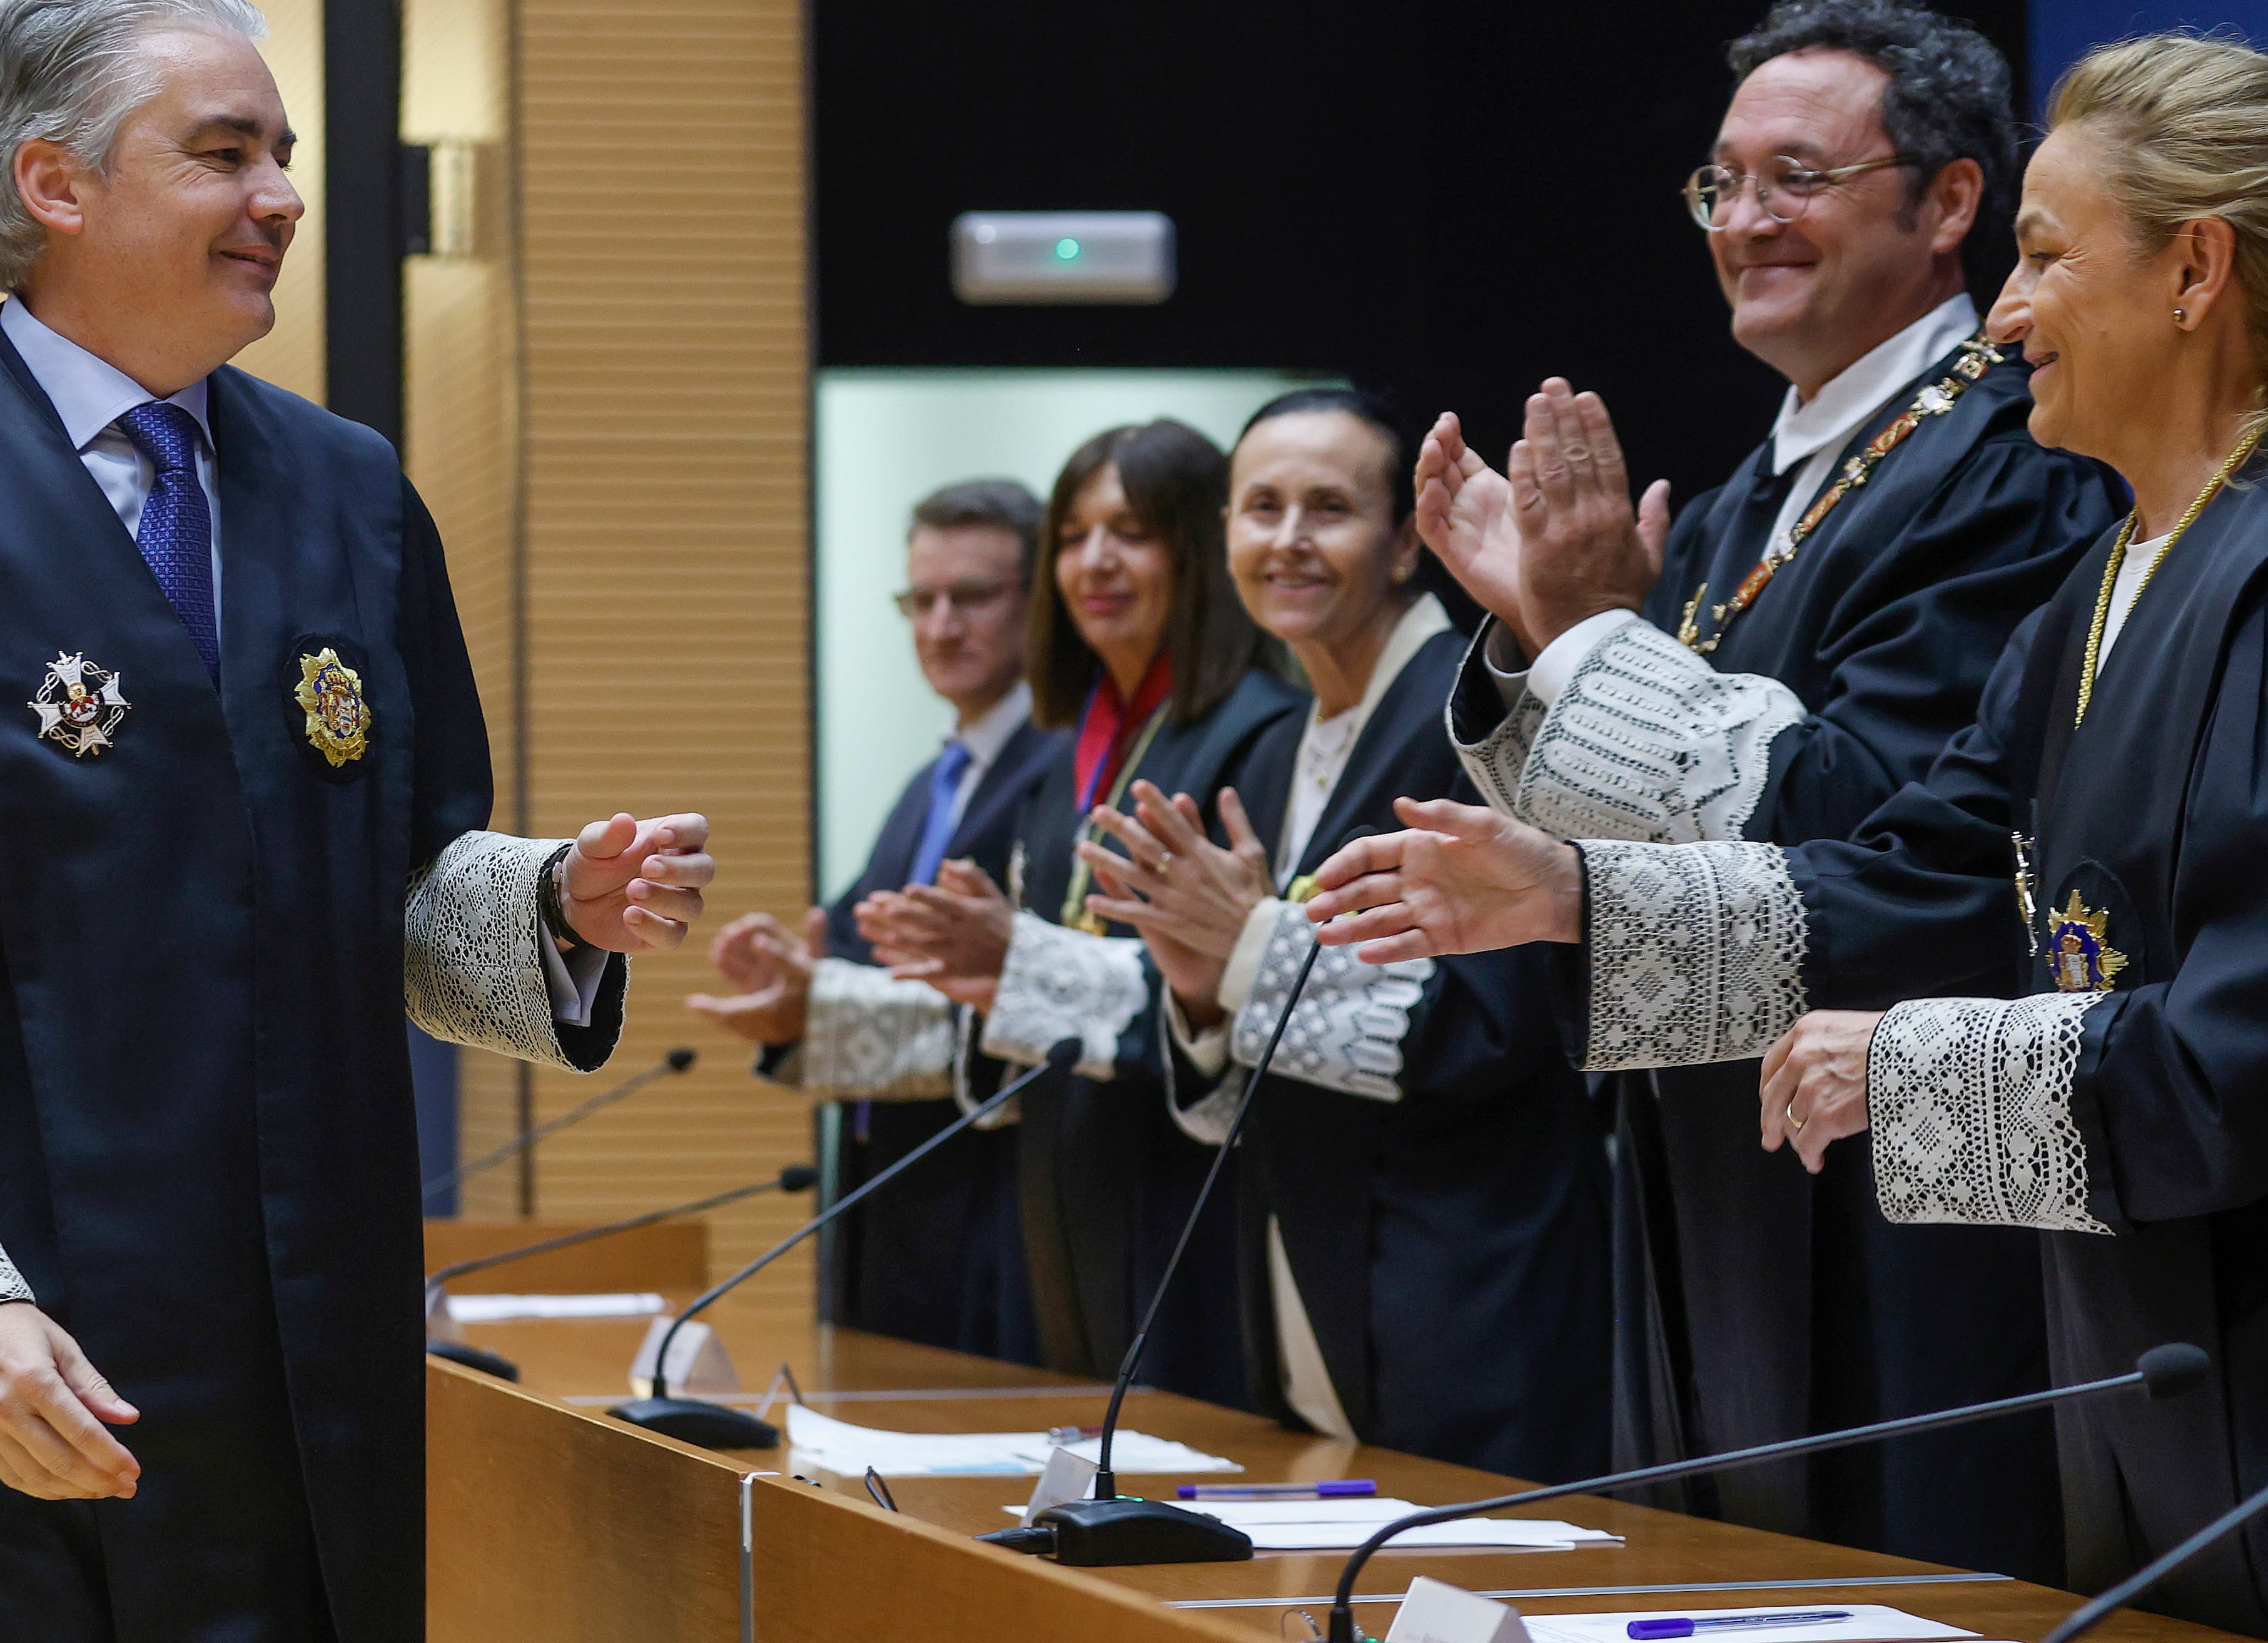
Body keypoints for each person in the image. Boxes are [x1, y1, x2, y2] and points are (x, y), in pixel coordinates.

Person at [1311, 33, 2268, 1643]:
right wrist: (1575, 893)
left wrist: (1903, 1066)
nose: (2006, 314)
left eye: (2039, 253)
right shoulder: (2102, 589)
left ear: (2195, 272)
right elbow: (1916, 869)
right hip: (2169, 1409)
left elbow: (2258, 1059)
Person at [0, 0, 716, 1643]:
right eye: (224, 152)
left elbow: (396, 887)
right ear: (55, 183)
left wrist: (555, 900)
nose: (282, 199)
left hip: (308, 1354)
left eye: (285, 156)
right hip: (27, 1341)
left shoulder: (346, 492)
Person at [1412, 0, 2114, 1570]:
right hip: (1706, 1168)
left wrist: (1588, 630)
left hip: (1894, 1187)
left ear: (1949, 204)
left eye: (1795, 177)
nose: (1744, 220)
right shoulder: (1741, 499)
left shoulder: (2012, 460)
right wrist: (1552, 638)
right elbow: (1639, 834)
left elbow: (1896, 829)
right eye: (1718, 185)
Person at [1082, 390, 1611, 1482]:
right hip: (1302, 1269)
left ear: (1406, 543)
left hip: (1467, 1277)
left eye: (1328, 508)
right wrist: (1196, 993)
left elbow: (1497, 1028)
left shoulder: (1474, 716)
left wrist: (1248, 954)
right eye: (1260, 507)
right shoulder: (1280, 747)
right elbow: (1257, 1057)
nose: (1287, 540)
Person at [851, 422, 1299, 1398]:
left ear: (1199, 546)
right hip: (1061, 1189)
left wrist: (1020, 964)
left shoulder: (1259, 733)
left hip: (1185, 1198)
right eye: (1074, 534)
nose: (1095, 561)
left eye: (1131, 532)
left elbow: (1232, 996)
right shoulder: (1070, 754)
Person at [686, 479, 1066, 1356]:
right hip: (886, 1198)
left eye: (971, 598)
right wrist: (793, 983)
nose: (940, 628)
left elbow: (1028, 1001)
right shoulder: (930, 783)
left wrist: (821, 996)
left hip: (991, 1207)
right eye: (920, 600)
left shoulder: (1061, 772)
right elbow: (855, 961)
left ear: (1038, 599)